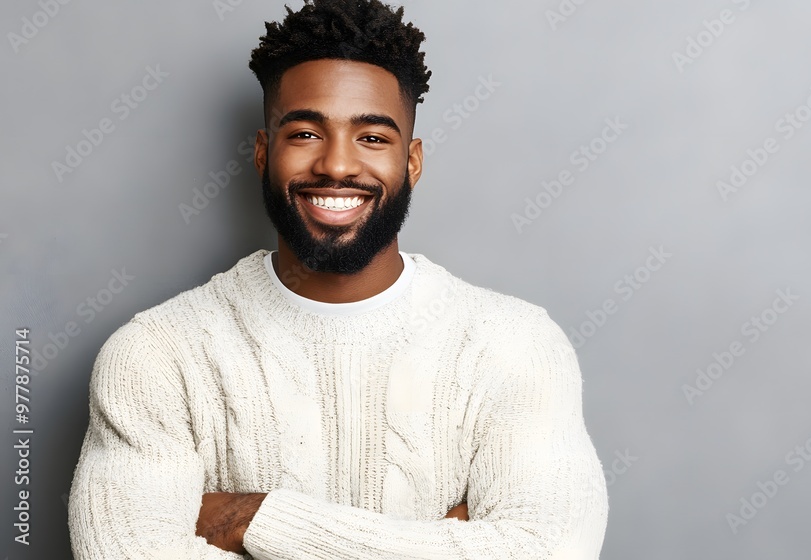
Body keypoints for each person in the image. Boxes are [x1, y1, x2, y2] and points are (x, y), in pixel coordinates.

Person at [67, 1, 608, 558]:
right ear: (262, 152)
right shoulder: (156, 355)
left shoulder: (515, 346)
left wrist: (255, 520)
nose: (338, 165)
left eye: (372, 138)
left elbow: (550, 549)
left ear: (413, 161)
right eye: (305, 133)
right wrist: (446, 541)